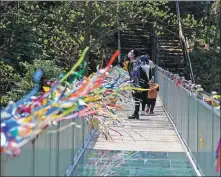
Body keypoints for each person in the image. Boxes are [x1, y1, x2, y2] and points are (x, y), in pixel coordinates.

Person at [128, 51, 149, 119]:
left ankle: (136, 113)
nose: (129, 55)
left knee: (136, 97)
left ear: (133, 55)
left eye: (131, 54)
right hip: (140, 82)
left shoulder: (134, 62)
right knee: (137, 98)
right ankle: (136, 113)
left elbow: (135, 72)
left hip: (137, 83)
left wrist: (132, 81)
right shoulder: (137, 61)